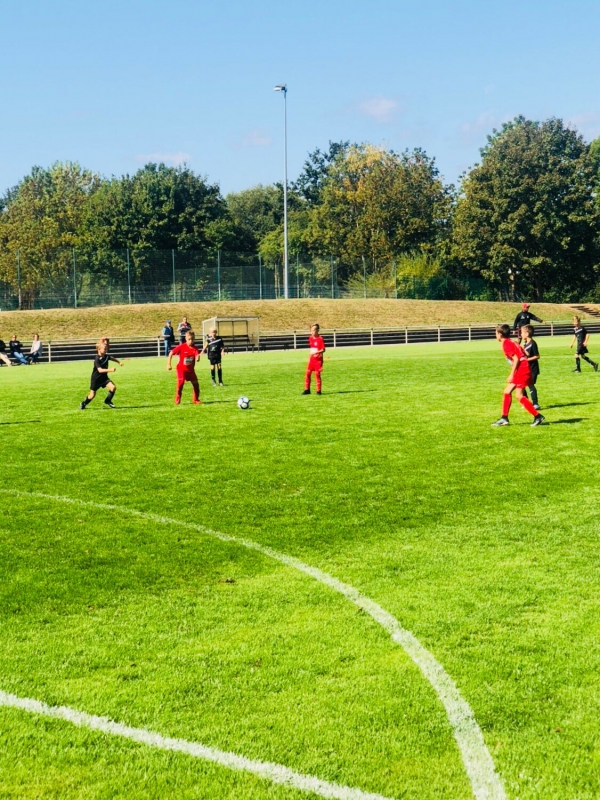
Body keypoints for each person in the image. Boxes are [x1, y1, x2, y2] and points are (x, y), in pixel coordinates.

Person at [491, 324, 544, 427]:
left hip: (522, 370)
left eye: (496, 333)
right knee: (507, 392)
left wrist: (511, 374)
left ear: (500, 334)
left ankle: (538, 416)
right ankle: (504, 418)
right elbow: (525, 353)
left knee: (519, 395)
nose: (495, 335)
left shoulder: (506, 344)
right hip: (522, 368)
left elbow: (516, 359)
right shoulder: (512, 342)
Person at [80, 339, 123, 409]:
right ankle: (84, 403)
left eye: (106, 349)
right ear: (99, 349)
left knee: (113, 387)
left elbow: (111, 358)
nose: (106, 350)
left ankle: (108, 401)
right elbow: (100, 370)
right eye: (104, 349)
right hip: (96, 379)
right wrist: (110, 370)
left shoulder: (106, 356)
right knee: (92, 395)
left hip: (104, 378)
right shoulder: (97, 358)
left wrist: (119, 362)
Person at [168, 329, 201, 405]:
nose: (191, 341)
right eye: (189, 339)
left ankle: (196, 399)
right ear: (186, 339)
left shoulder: (195, 348)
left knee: (196, 384)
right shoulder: (182, 347)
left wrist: (198, 357)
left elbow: (197, 355)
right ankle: (178, 396)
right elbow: (171, 353)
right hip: (181, 369)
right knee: (181, 382)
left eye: (192, 339)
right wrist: (169, 364)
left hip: (190, 370)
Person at [302, 323, 326, 395]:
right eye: (311, 330)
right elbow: (312, 349)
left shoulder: (320, 339)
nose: (312, 332)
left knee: (317, 375)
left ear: (317, 330)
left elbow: (323, 349)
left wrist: (317, 353)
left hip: (318, 360)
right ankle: (307, 390)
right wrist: (311, 356)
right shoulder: (310, 338)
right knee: (307, 373)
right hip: (311, 359)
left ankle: (318, 391)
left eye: (314, 330)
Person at [521, 325, 541, 410]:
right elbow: (526, 354)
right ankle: (526, 402)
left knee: (530, 385)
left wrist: (527, 360)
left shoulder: (533, 343)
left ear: (527, 333)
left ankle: (535, 404)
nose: (521, 334)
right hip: (526, 369)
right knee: (522, 385)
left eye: (522, 332)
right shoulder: (525, 343)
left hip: (533, 369)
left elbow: (537, 356)